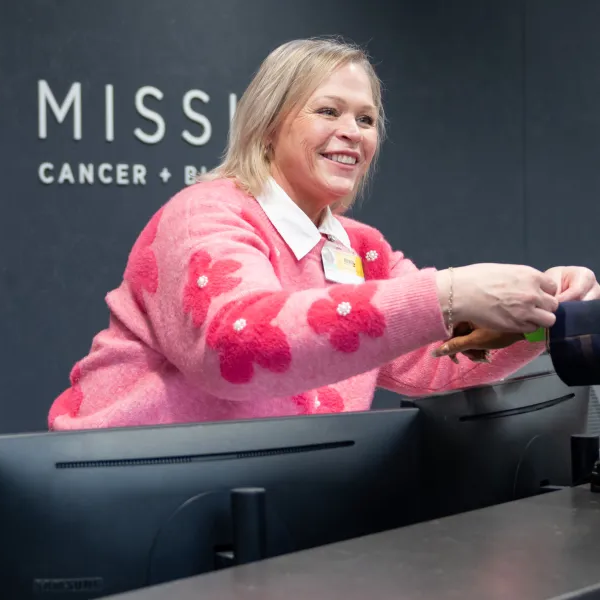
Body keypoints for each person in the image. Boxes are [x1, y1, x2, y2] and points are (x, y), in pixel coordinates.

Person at [48, 37, 600, 431]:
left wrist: (541, 315)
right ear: (268, 126)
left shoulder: (361, 247)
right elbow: (237, 347)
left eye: (366, 119)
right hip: (134, 494)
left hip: (274, 496)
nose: (351, 133)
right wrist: (448, 293)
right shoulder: (204, 213)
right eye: (328, 111)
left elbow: (431, 356)